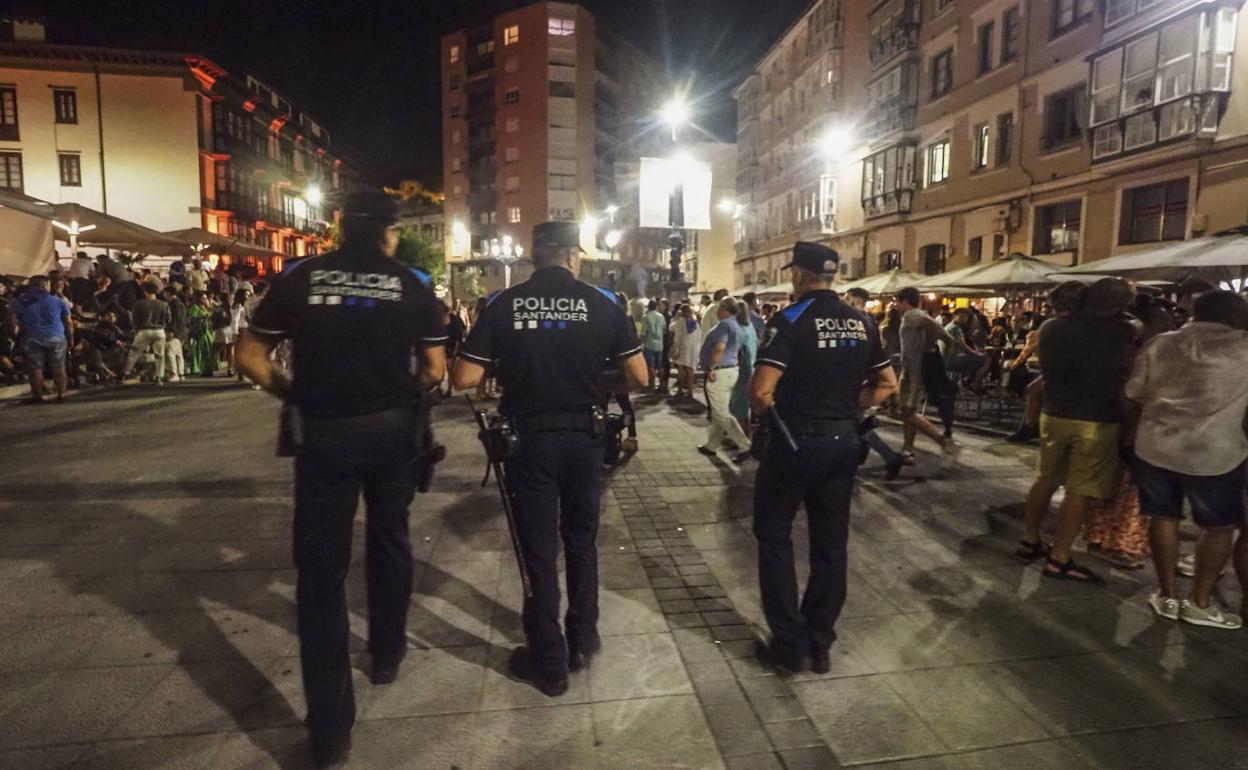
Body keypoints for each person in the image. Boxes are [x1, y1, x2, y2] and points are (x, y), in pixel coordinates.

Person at [236, 191, 447, 768]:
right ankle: (387, 652)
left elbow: (250, 357)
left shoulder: (301, 279)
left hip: (323, 434)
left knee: (321, 573)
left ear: (338, 230)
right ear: (390, 233)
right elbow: (434, 369)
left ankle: (329, 729)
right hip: (392, 432)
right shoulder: (411, 284)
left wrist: (295, 392)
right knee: (390, 538)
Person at [452, 220, 646, 698]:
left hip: (530, 441)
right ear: (573, 256)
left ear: (533, 255)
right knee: (581, 540)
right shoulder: (603, 303)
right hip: (586, 437)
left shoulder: (502, 303)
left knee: (538, 550)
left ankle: (549, 662)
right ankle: (582, 637)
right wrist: (591, 387)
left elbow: (462, 376)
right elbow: (639, 375)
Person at [749, 242, 898, 673]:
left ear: (799, 274)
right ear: (831, 276)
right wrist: (847, 406)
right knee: (830, 541)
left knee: (774, 534)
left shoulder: (790, 320)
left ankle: (789, 640)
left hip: (795, 442)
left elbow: (761, 392)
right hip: (844, 441)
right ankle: (820, 637)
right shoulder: (862, 322)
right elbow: (888, 386)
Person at [1126, 290, 1248, 628]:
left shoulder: (1160, 343)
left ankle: (1167, 595)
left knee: (1163, 518)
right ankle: (1199, 601)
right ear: (1233, 314)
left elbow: (1134, 392)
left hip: (1154, 445)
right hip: (1213, 451)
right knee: (1218, 526)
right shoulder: (1244, 346)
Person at [1018, 278, 1135, 583]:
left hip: (1054, 414)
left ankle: (1029, 540)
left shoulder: (1048, 329)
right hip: (1095, 419)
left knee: (1046, 478)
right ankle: (1060, 557)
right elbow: (1140, 331)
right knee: (1080, 490)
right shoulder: (1118, 331)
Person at [894, 287, 973, 466]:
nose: (895, 306)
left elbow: (934, 328)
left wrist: (928, 346)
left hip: (914, 371)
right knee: (908, 410)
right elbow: (947, 338)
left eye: (897, 302)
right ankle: (908, 449)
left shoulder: (912, 315)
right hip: (913, 369)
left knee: (908, 411)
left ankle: (945, 443)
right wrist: (931, 345)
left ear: (905, 301)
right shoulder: (918, 315)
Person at [845, 288, 905, 480]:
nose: (846, 300)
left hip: (858, 376)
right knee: (857, 422)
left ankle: (886, 457)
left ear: (856, 299)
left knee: (854, 422)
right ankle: (879, 457)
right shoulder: (869, 320)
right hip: (867, 374)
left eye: (848, 297)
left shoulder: (857, 319)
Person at [698, 297, 753, 459]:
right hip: (730, 370)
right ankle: (712, 445)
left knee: (722, 413)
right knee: (718, 411)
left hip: (720, 372)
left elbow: (720, 347)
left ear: (723, 309)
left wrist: (712, 367)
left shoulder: (724, 325)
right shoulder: (735, 324)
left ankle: (744, 445)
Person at [6, 275, 73, 403]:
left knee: (35, 368)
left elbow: (11, 320)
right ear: (45, 286)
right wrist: (70, 338)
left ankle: (38, 396)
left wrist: (14, 333)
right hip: (56, 337)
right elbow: (68, 322)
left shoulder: (20, 302)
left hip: (32, 337)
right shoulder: (58, 301)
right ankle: (62, 394)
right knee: (59, 367)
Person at [121, 283, 170, 384]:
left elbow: (135, 319)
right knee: (160, 355)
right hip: (160, 331)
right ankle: (159, 377)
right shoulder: (164, 304)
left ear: (145, 291)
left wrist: (136, 328)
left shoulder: (139, 304)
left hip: (144, 331)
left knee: (134, 353)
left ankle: (125, 374)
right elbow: (168, 319)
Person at [729, 298, 758, 437]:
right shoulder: (750, 326)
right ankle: (745, 437)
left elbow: (738, 352)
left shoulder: (738, 330)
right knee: (743, 406)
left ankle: (743, 441)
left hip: (741, 370)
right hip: (751, 367)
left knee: (737, 407)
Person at [671, 304, 700, 398]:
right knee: (690, 369)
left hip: (683, 347)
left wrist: (676, 317)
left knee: (681, 369)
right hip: (693, 348)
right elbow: (699, 336)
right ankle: (690, 391)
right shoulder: (696, 322)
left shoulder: (681, 321)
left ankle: (680, 390)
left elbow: (671, 328)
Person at [162, 286, 189, 383]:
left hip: (175, 332)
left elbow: (175, 319)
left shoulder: (175, 305)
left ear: (168, 293)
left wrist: (172, 331)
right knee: (178, 353)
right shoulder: (179, 303)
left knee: (170, 352)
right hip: (181, 332)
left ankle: (174, 373)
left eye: (165, 293)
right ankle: (181, 373)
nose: (163, 294)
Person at [186, 293, 216, 376]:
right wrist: (205, 317)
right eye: (203, 298)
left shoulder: (206, 308)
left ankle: (207, 368)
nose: (205, 299)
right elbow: (192, 319)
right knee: (199, 350)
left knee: (208, 350)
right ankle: (198, 367)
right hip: (199, 332)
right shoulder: (195, 308)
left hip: (207, 332)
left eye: (206, 298)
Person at [641, 299, 666, 390]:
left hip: (649, 344)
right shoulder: (661, 316)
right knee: (660, 365)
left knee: (650, 365)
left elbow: (643, 332)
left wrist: (641, 344)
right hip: (660, 344)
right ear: (656, 307)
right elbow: (664, 330)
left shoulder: (645, 317)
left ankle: (652, 385)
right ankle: (661, 384)